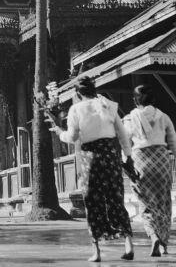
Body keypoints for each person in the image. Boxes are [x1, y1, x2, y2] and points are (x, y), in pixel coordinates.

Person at [49, 76, 135, 263]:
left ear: (78, 93)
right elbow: (122, 133)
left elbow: (72, 137)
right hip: (110, 155)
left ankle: (97, 251)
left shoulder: (76, 109)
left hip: (90, 157)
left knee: (93, 201)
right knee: (115, 197)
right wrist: (128, 155)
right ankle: (128, 244)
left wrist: (58, 132)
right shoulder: (109, 105)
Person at [124, 84, 176, 257]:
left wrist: (125, 163)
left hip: (140, 161)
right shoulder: (164, 117)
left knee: (146, 203)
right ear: (153, 100)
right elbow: (174, 143)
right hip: (161, 160)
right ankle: (164, 244)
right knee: (164, 202)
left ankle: (153, 237)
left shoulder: (130, 118)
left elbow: (126, 143)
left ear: (135, 100)